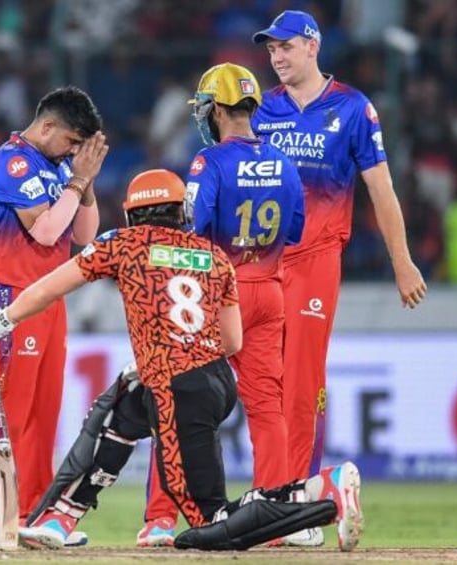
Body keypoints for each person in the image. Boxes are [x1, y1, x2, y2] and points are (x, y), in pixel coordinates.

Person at [0, 169, 364, 552]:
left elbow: (50, 288)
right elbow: (233, 340)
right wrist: (177, 353)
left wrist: (3, 318)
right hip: (212, 380)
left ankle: (320, 492)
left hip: (177, 388)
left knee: (210, 525)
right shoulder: (214, 255)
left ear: (133, 215)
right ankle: (59, 518)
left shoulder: (123, 244)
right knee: (119, 409)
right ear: (182, 211)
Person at [250, 10, 427, 543]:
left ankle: (299, 511)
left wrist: (403, 262)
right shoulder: (263, 109)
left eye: (285, 46)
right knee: (263, 382)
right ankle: (274, 497)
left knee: (303, 380)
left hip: (316, 260)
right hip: (262, 261)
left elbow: (382, 190)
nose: (276, 57)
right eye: (271, 49)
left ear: (312, 45)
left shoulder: (352, 107)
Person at [137, 62, 305, 548]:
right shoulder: (284, 162)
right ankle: (273, 521)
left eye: (206, 108)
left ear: (217, 109)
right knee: (267, 409)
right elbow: (292, 231)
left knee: (175, 401)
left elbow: (191, 232)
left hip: (214, 295)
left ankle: (161, 517)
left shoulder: (207, 165)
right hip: (269, 290)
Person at [0, 86, 107, 547]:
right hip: (8, 294)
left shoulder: (61, 165)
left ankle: (35, 517)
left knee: (44, 412)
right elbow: (44, 232)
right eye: (72, 143)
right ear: (47, 127)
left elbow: (84, 232)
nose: (74, 153)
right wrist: (76, 181)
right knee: (7, 410)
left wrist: (87, 179)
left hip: (48, 295)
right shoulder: (13, 160)